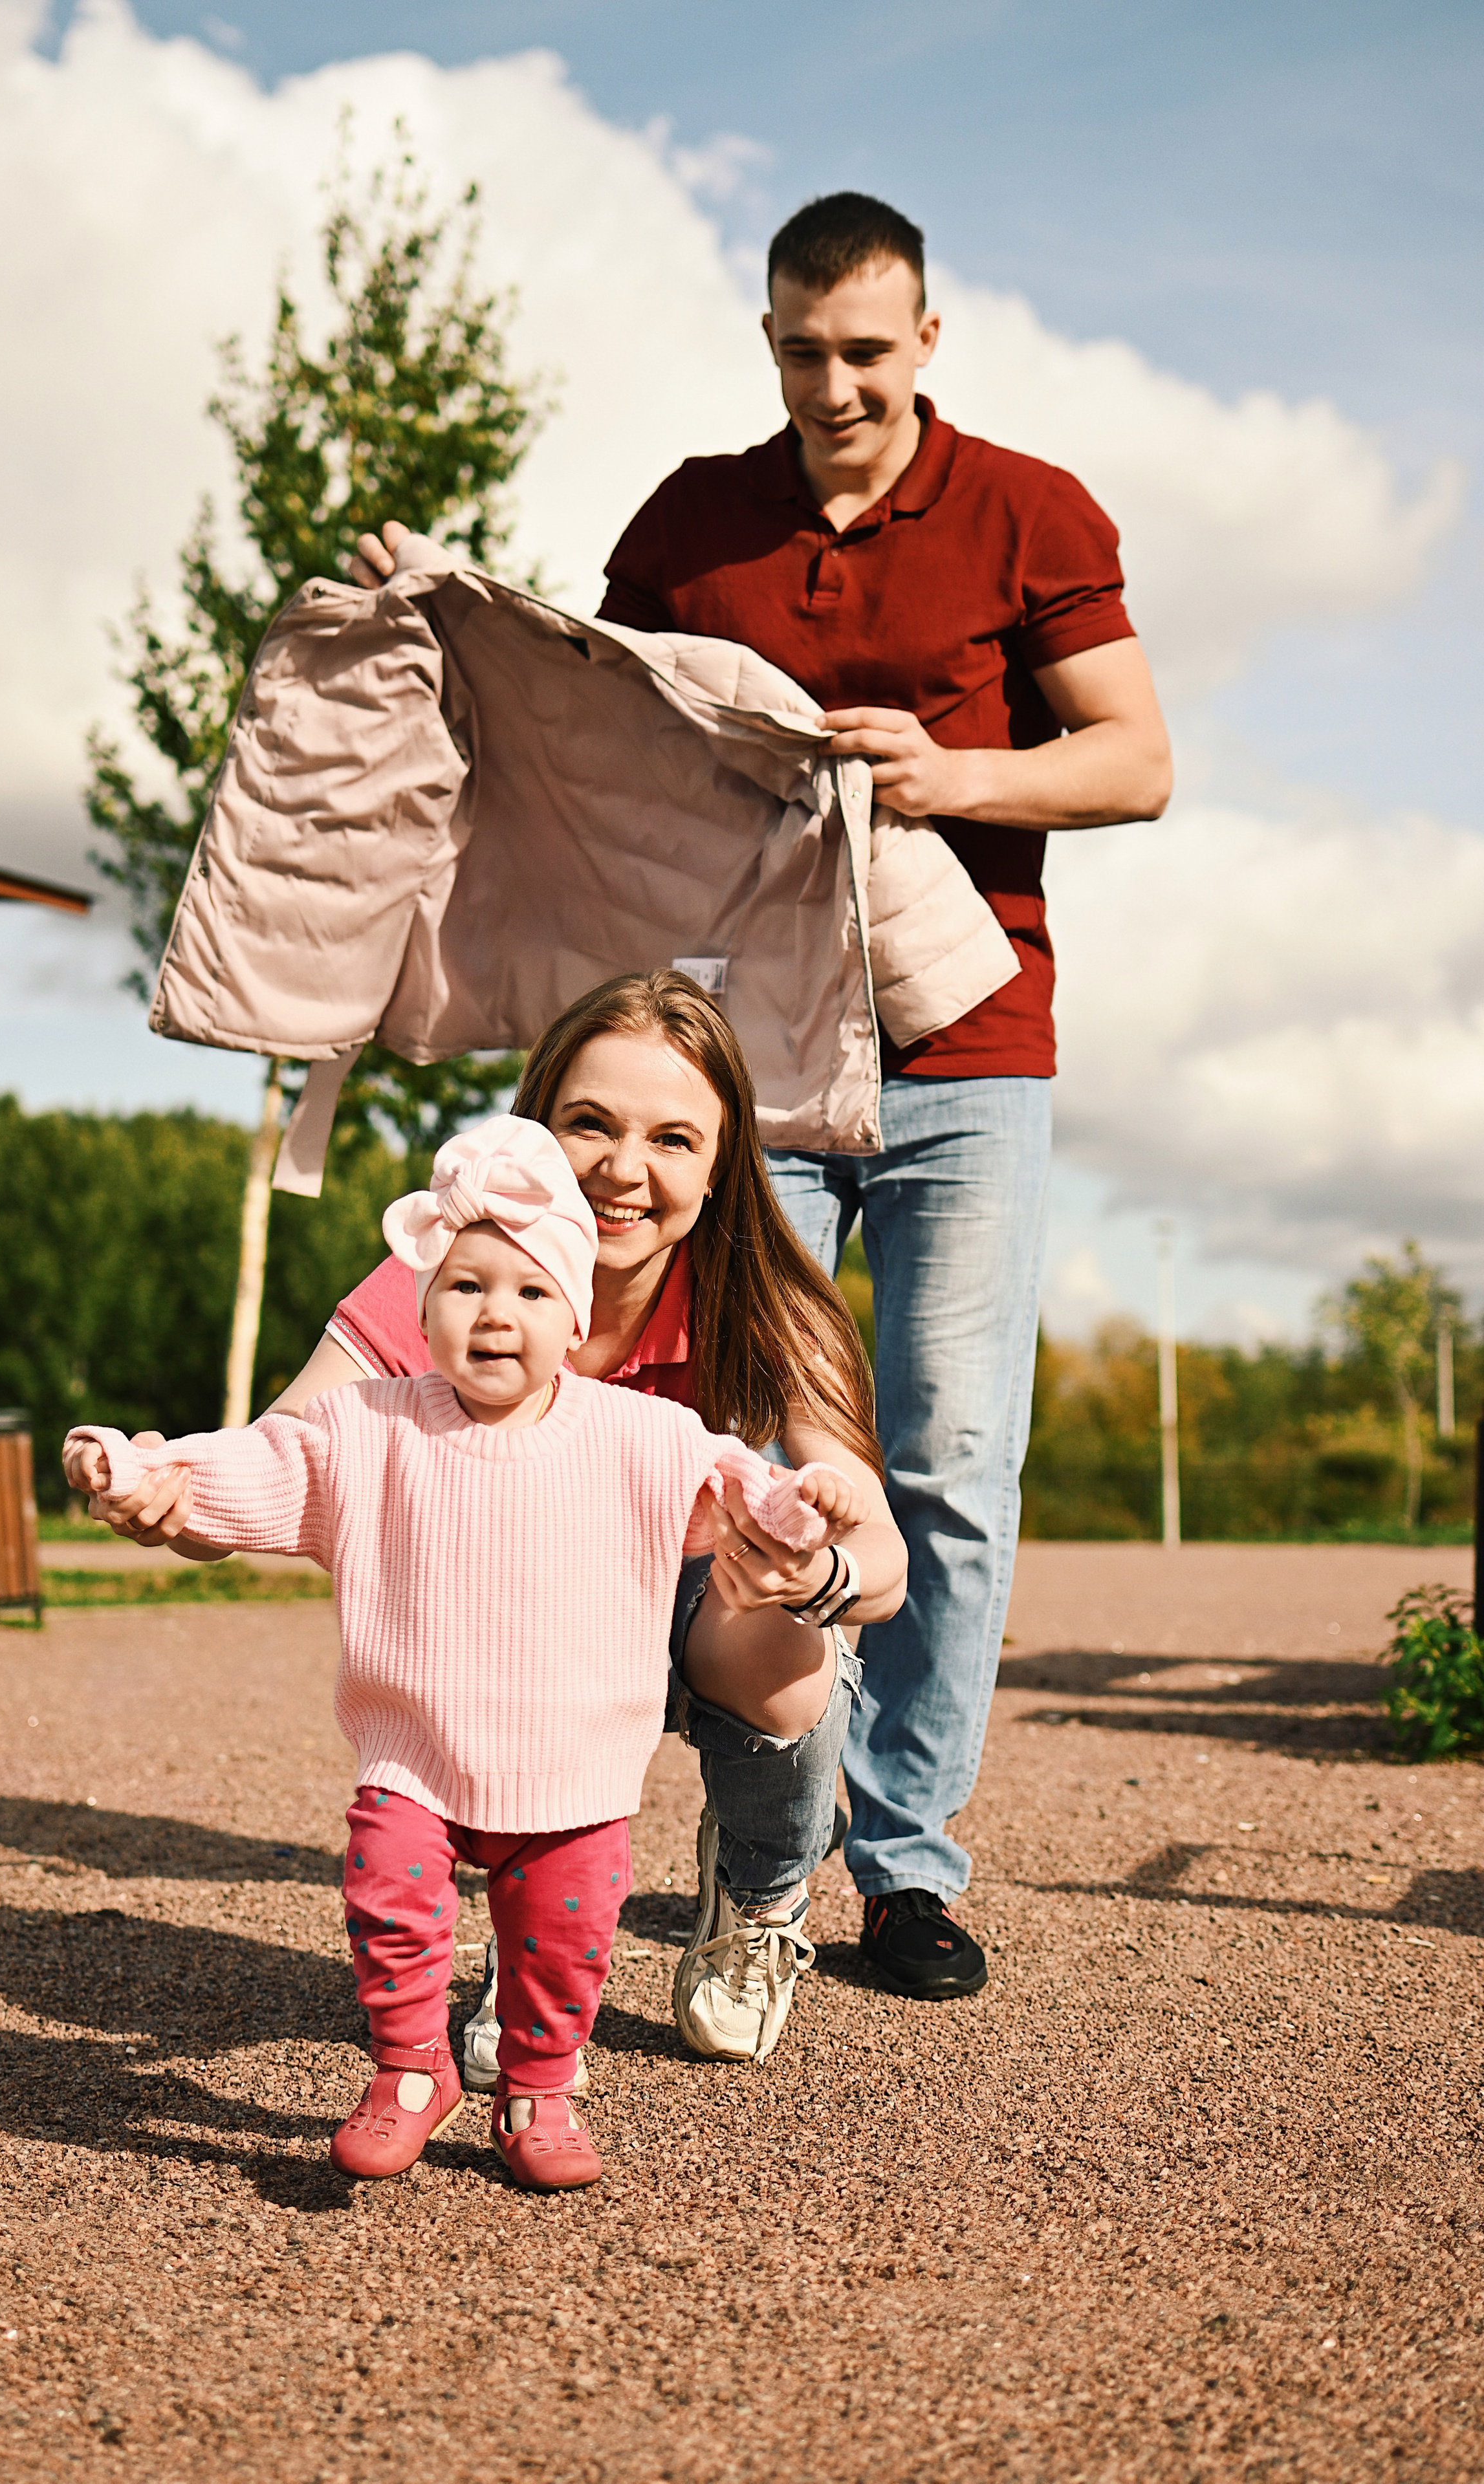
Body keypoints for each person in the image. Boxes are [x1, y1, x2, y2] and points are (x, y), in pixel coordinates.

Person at [353, 188, 1173, 2003]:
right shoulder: (691, 523)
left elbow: (1138, 762)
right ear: (769, 345)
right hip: (752, 1069)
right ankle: (761, 1821)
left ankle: (911, 1868)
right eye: (802, 351)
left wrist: (946, 778)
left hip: (974, 1054)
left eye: (867, 351)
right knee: (734, 1452)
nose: (835, 385)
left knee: (951, 1463)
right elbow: (586, 727)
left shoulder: (1033, 509)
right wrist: (435, 602)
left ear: (928, 341)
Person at [99, 974, 908, 2072]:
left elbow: (882, 1563)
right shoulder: (443, 1278)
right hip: (509, 1628)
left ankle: (760, 1900)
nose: (626, 1168)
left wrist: (809, 1573)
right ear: (533, 1130)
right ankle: (524, 1953)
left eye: (674, 1138)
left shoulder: (768, 1301)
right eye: (591, 1124)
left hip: (687, 1606)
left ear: (720, 1170)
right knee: (479, 1644)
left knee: (787, 1642)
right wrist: (171, 1492)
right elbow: (282, 1460)